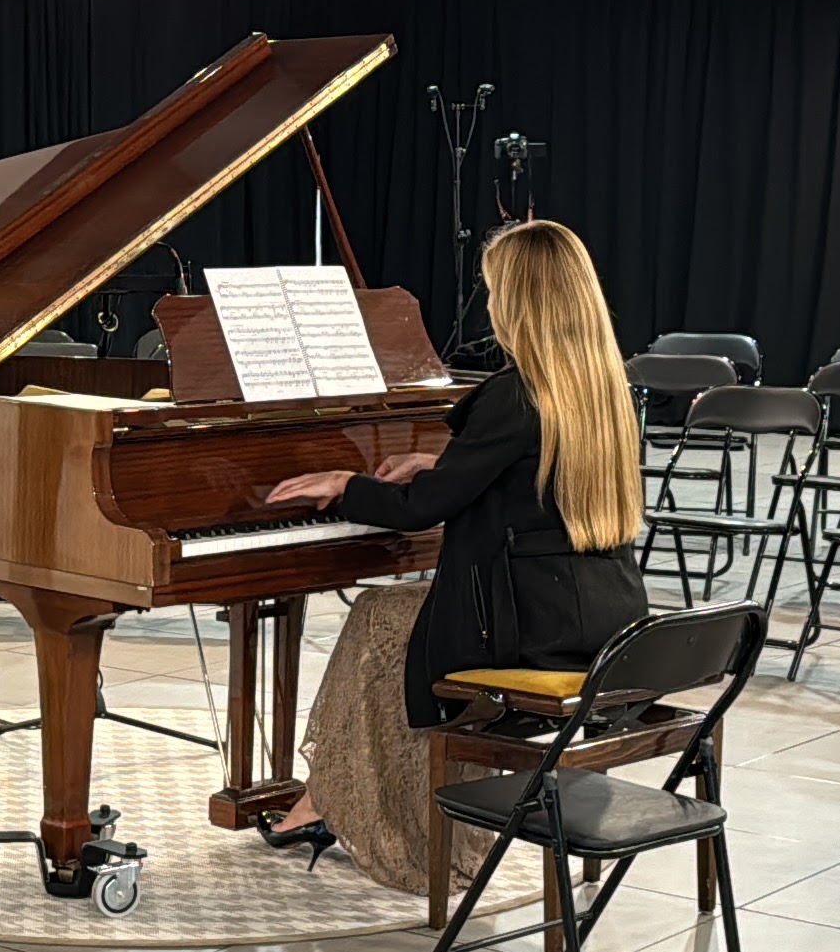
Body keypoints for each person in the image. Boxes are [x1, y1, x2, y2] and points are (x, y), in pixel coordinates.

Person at [256, 220, 649, 876]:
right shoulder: (598, 388)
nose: (489, 305)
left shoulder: (512, 395)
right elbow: (524, 471)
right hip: (602, 623)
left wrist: (343, 484)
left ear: (518, 303)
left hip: (528, 633)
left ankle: (368, 811)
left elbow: (424, 510)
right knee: (395, 624)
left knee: (381, 621)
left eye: (495, 290)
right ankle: (331, 799)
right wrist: (439, 459)